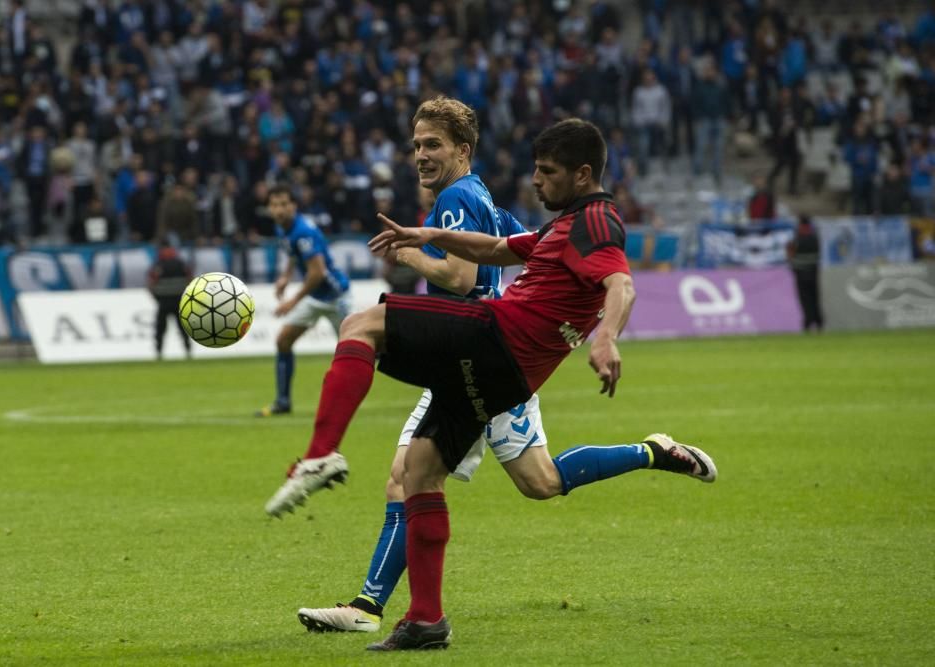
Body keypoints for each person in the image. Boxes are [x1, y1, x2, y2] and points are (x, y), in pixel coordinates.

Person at [265, 118, 718, 651]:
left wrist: (607, 339)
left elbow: (620, 282)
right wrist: (430, 235)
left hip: (495, 339)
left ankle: (320, 455)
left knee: (361, 326)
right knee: (425, 472)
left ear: (583, 173)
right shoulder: (564, 223)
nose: (535, 181)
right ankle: (426, 620)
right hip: (505, 375)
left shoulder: (596, 220)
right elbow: (500, 249)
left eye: (547, 173)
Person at [292, 96, 552, 634]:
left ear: (463, 149)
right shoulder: (479, 194)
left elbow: (456, 277)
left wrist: (407, 253)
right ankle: (372, 608)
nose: (420, 155)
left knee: (423, 477)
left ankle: (379, 609)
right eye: (415, 145)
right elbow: (528, 245)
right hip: (481, 354)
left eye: (432, 144)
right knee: (530, 479)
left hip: (473, 358)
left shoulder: (456, 196)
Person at [254, 185, 351, 416]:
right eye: (274, 205)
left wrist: (292, 301)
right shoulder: (283, 229)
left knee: (360, 350)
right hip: (316, 296)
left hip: (336, 296)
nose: (279, 209)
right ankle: (283, 401)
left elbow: (317, 273)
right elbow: (292, 255)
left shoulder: (303, 231)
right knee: (283, 341)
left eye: (283, 204)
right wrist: (286, 277)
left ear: (293, 206)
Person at [148, 244, 193, 359]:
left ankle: (159, 352)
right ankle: (188, 351)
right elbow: (190, 280)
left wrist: (157, 297)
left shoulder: (158, 265)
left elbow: (151, 283)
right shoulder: (181, 264)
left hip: (164, 302)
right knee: (183, 328)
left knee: (161, 328)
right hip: (179, 301)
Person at [788, 215, 823, 332]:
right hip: (813, 273)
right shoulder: (815, 238)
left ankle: (808, 321)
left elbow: (792, 256)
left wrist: (789, 251)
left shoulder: (798, 239)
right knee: (815, 298)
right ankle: (818, 322)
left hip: (802, 274)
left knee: (805, 299)